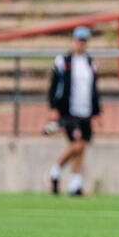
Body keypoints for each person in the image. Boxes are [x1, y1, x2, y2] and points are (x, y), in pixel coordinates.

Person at [46, 26, 100, 197]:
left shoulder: (90, 62)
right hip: (70, 111)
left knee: (81, 149)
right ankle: (55, 171)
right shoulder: (64, 61)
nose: (81, 44)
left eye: (84, 41)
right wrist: (54, 107)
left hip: (86, 111)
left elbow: (94, 89)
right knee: (77, 145)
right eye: (79, 41)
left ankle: (75, 186)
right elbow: (54, 85)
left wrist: (97, 111)